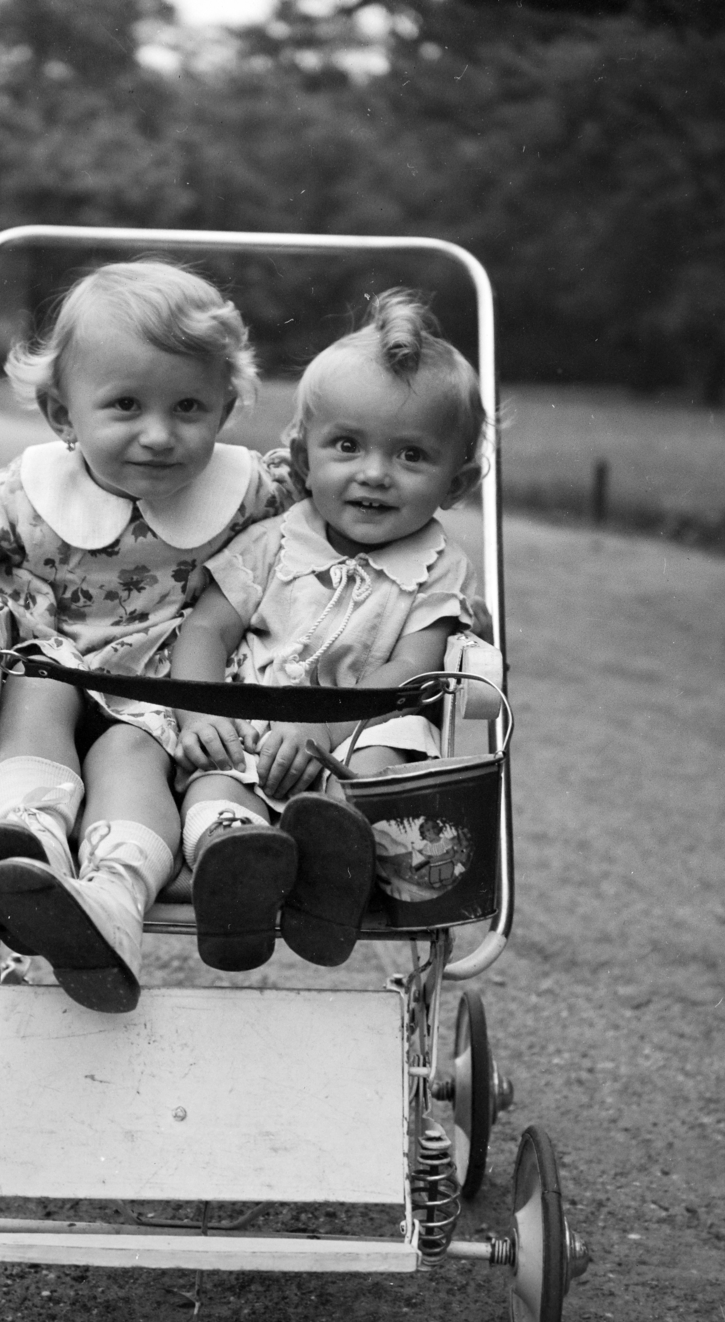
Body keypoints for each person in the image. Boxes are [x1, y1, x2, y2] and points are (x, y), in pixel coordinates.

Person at [0, 261, 299, 1013]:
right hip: (62, 672)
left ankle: (110, 899)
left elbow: (338, 525)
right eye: (124, 405)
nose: (158, 434)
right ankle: (31, 835)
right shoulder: (28, 493)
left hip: (167, 699)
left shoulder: (250, 493)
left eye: (189, 406)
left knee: (131, 748)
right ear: (61, 412)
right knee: (38, 684)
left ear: (226, 406)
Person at [169, 288, 483, 972]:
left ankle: (337, 872)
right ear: (304, 458)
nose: (374, 474)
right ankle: (234, 864)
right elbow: (206, 630)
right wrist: (198, 716)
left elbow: (411, 669)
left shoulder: (439, 567)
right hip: (257, 723)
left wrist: (325, 726)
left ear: (456, 483)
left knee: (392, 751)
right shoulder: (272, 542)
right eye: (347, 446)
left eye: (411, 456)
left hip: (360, 729)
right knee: (213, 778)